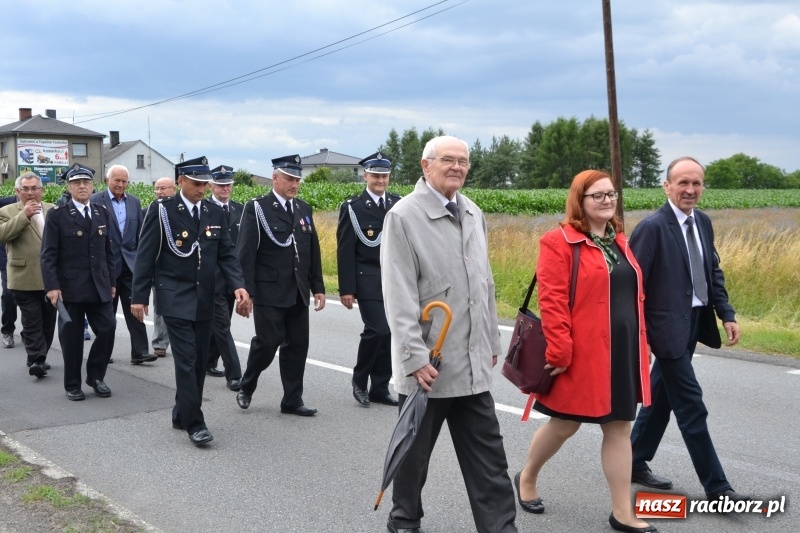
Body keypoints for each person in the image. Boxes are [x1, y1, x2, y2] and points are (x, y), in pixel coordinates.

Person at [381, 135, 517, 533]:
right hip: (430, 365)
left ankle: (500, 528)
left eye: (463, 161)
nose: (457, 167)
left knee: (490, 460)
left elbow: (485, 284)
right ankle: (404, 520)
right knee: (414, 455)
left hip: (472, 363)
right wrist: (413, 356)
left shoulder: (473, 212)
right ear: (426, 166)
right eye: (448, 160)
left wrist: (491, 340)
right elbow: (398, 293)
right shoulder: (404, 216)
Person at [516, 170, 655, 533]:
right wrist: (560, 350)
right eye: (598, 195)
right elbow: (553, 299)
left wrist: (644, 345)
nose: (608, 201)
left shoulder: (620, 241)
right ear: (580, 200)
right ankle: (527, 477)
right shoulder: (558, 241)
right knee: (565, 423)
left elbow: (633, 298)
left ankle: (622, 512)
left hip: (623, 349)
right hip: (580, 352)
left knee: (620, 427)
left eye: (611, 194)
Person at [629, 157, 745, 502]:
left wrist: (726, 312)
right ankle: (718, 487)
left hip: (694, 323)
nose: (690, 190)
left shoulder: (702, 223)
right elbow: (633, 286)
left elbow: (712, 270)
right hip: (665, 330)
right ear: (667, 186)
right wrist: (639, 336)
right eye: (682, 183)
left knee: (662, 397)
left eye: (696, 183)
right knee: (691, 404)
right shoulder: (652, 227)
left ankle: (633, 459)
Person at [131, 156, 251, 447]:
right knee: (186, 361)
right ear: (181, 181)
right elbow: (146, 254)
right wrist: (138, 296)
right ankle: (195, 423)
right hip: (173, 295)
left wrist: (238, 285)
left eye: (204, 184)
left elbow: (226, 253)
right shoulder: (163, 211)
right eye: (196, 183)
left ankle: (180, 412)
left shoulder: (213, 211)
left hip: (204, 296)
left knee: (197, 362)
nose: (201, 189)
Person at [235, 155, 325, 417]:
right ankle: (247, 385)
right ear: (275, 177)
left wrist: (318, 286)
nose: (294, 184)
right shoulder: (258, 208)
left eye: (297, 179)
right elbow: (246, 252)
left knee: (297, 346)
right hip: (269, 290)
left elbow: (313, 251)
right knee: (268, 342)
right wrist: (246, 291)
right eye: (289, 178)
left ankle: (292, 399)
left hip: (297, 289)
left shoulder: (303, 209)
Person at [41, 164, 117, 401]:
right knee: (72, 339)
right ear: (69, 187)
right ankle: (72, 384)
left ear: (93, 186)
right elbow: (48, 254)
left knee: (108, 329)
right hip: (70, 288)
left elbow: (108, 252)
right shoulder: (57, 215)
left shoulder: (100, 212)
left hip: (99, 286)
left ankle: (95, 376)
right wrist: (52, 286)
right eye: (76, 183)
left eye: (86, 183)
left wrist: (112, 281)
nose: (82, 187)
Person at [337, 152, 400, 408]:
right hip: (367, 278)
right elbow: (345, 250)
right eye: (376, 176)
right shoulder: (353, 207)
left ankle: (381, 387)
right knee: (377, 329)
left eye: (384, 176)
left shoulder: (398, 203)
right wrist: (347, 289)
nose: (380, 181)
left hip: (394, 279)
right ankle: (360, 382)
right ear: (366, 176)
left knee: (391, 333)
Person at [91, 165, 156, 365]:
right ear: (107, 181)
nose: (120, 184)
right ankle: (104, 351)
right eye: (116, 180)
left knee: (135, 308)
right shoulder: (95, 200)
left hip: (130, 265)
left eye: (124, 181)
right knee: (105, 313)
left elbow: (140, 234)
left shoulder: (135, 202)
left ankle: (140, 352)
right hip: (107, 266)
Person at [0, 174, 56, 378]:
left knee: (48, 322)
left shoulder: (53, 210)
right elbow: (3, 234)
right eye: (25, 189)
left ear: (42, 190)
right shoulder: (6, 211)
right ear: (17, 192)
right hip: (23, 276)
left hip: (50, 279)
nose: (30, 193)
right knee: (32, 321)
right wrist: (24, 215)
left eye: (34, 188)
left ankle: (40, 355)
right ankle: (37, 359)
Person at [205, 165, 244, 391]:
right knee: (222, 326)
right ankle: (235, 374)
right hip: (212, 278)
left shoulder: (240, 210)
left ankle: (210, 361)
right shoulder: (204, 209)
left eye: (228, 185)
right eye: (220, 185)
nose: (225, 189)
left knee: (221, 323)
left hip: (234, 279)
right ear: (211, 186)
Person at [148, 176, 176, 357]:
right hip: (160, 268)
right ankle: (160, 343)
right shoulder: (150, 211)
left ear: (174, 189)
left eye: (163, 188)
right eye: (157, 188)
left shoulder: (182, 212)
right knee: (161, 307)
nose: (159, 192)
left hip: (183, 268)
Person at [0, 195, 18, 349]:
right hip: (7, 258)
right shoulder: (4, 204)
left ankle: (30, 331)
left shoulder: (44, 207)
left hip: (34, 261)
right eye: (25, 188)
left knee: (34, 297)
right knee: (9, 294)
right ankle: (8, 330)